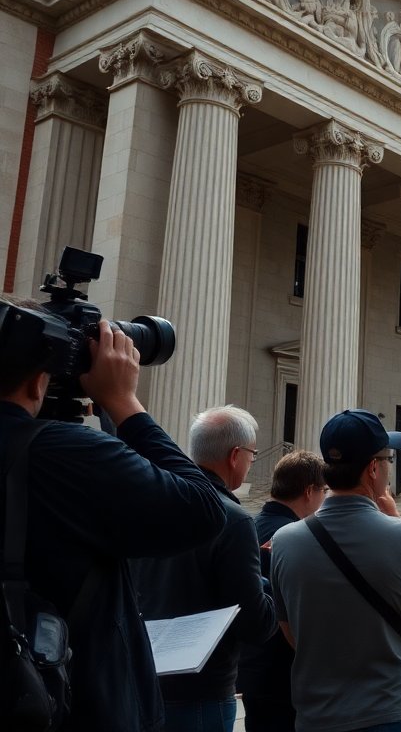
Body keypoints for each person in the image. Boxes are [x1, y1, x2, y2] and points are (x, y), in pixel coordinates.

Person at [0, 305, 227, 730]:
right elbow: (202, 510)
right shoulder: (63, 454)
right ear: (38, 380)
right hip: (72, 702)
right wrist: (122, 401)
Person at [270, 409, 401, 732]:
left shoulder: (284, 541)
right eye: (388, 459)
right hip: (393, 711)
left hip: (319, 714)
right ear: (373, 468)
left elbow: (291, 632)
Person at [130, 405, 278, 731]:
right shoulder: (234, 520)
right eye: (252, 455)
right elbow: (256, 625)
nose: (251, 463)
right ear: (235, 455)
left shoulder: (148, 509)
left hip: (140, 681)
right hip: (201, 693)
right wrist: (270, 579)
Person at [237, 450, 327, 731]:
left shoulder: (249, 526)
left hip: (252, 666)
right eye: (323, 490)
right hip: (287, 668)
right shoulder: (301, 538)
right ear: (310, 491)